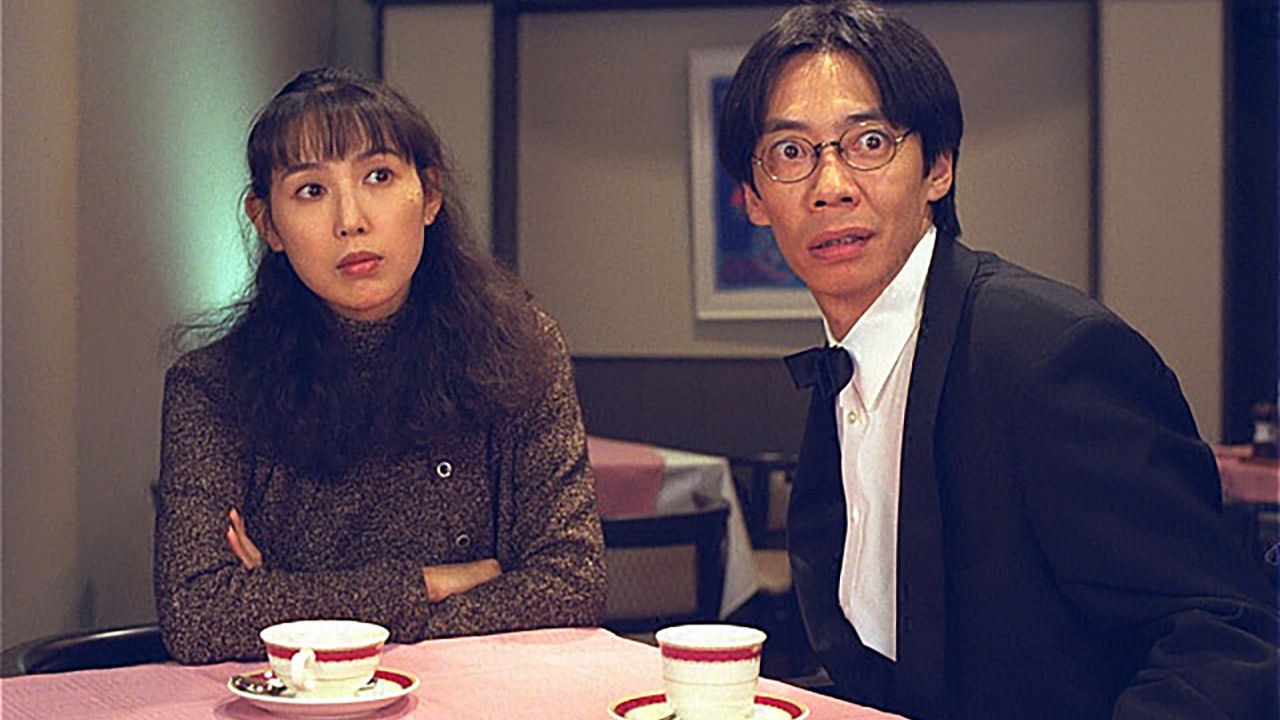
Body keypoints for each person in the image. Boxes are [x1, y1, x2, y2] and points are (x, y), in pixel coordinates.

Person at [717, 3, 1278, 718]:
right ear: (754, 198)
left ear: (938, 168)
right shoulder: (848, 368)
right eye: (791, 153)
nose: (830, 186)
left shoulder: (1051, 355)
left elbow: (1228, 640)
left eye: (869, 142)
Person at [153, 67, 606, 664]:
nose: (351, 219)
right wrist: (429, 584)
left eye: (379, 176)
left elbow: (572, 583)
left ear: (430, 194)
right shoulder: (213, 388)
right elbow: (198, 613)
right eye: (311, 190)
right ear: (268, 223)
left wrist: (289, 602)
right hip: (299, 702)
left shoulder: (521, 349)